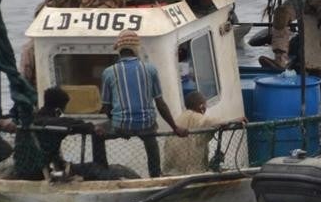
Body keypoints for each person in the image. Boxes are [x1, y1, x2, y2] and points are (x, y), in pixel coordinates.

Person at [96, 30, 188, 178]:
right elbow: (160, 103)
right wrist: (175, 127)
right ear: (136, 49)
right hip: (146, 124)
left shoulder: (108, 72)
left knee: (97, 133)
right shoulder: (150, 69)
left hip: (121, 126)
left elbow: (106, 107)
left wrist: (117, 124)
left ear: (119, 51)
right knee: (151, 141)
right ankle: (155, 173)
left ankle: (100, 168)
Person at [162, 91, 246, 175]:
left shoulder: (178, 120)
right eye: (206, 105)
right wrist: (236, 120)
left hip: (170, 171)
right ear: (201, 107)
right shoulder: (199, 118)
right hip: (189, 172)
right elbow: (217, 123)